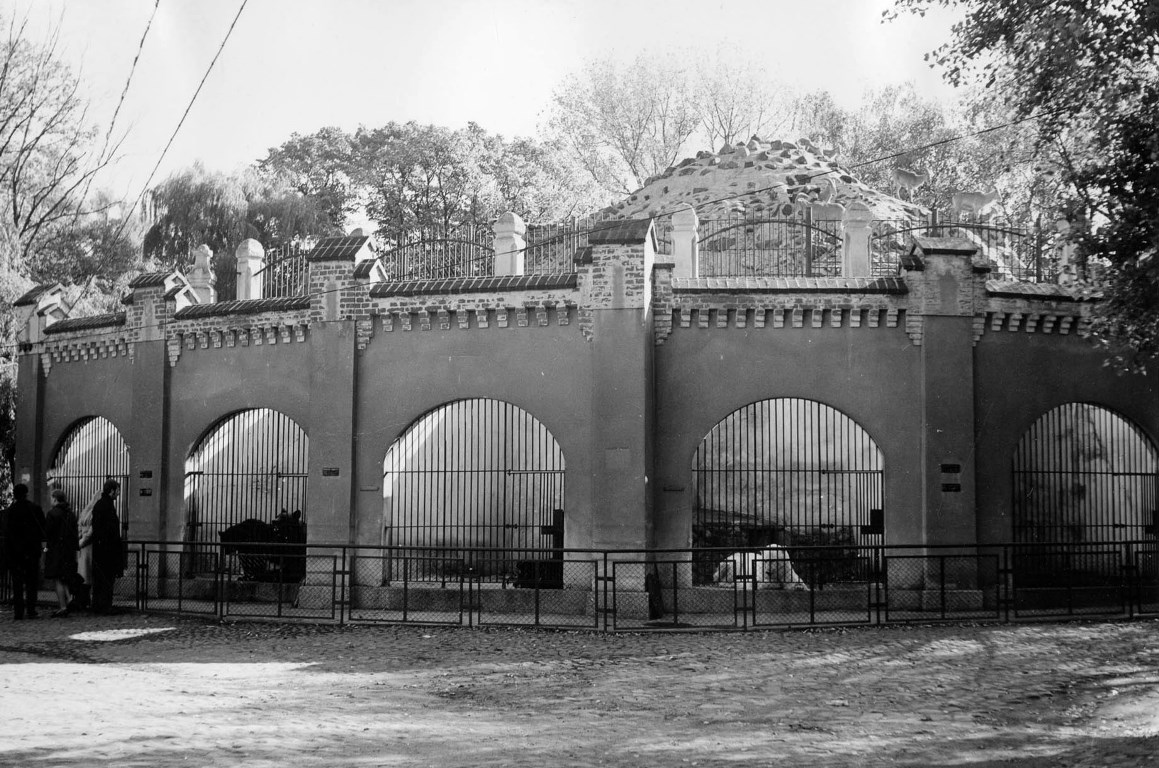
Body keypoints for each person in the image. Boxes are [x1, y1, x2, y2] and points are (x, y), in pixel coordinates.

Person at [2, 484, 46, 620]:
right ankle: (31, 609)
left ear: (14, 495)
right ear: (26, 493)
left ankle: (18, 611)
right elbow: (42, 529)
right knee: (32, 582)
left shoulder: (9, 512)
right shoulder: (34, 509)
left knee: (17, 583)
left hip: (15, 553)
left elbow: (6, 533)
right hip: (31, 551)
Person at [89, 480, 124, 614]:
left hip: (101, 549)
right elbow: (108, 529)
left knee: (101, 579)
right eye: (117, 490)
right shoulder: (106, 505)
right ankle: (104, 606)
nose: (119, 493)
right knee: (106, 579)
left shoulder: (101, 504)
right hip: (107, 550)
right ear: (112, 490)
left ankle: (98, 605)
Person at [43, 488, 79, 617]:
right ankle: (69, 598)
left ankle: (63, 605)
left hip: (56, 550)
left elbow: (47, 533)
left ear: (55, 499)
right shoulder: (71, 513)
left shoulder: (52, 514)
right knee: (64, 577)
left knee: (58, 578)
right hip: (68, 550)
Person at [70, 491, 101, 611]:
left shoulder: (85, 511)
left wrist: (79, 539)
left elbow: (79, 527)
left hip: (82, 545)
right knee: (88, 574)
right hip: (88, 546)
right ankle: (86, 600)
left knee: (83, 573)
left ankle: (82, 600)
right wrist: (83, 541)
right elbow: (91, 532)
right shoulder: (94, 512)